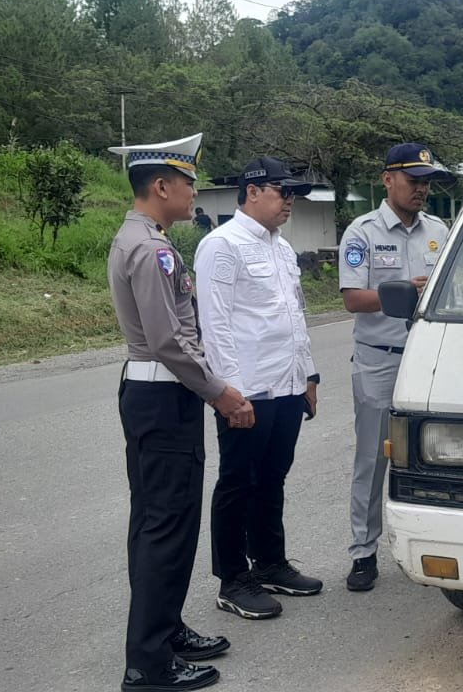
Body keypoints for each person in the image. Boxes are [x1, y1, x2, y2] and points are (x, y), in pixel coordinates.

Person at [106, 133, 253, 692]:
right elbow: (169, 340)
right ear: (161, 186)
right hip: (164, 397)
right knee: (165, 526)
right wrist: (220, 392)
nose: (195, 192)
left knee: (157, 522)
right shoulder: (151, 248)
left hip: (158, 396)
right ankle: (147, 663)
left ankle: (163, 631)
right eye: (189, 183)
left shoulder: (146, 239)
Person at [195, 157, 323, 620]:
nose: (289, 201)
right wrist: (229, 392)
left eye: (293, 194)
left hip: (286, 386)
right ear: (252, 192)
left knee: (273, 479)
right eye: (281, 192)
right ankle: (233, 577)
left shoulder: (282, 248)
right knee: (238, 482)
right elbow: (215, 324)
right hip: (247, 390)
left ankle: (270, 562)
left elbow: (295, 315)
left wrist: (308, 375)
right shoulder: (221, 246)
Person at [337, 143, 453, 592]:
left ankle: (438, 542)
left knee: (440, 454)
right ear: (388, 180)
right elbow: (352, 299)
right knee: (372, 458)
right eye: (413, 181)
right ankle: (363, 552)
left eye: (426, 182)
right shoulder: (362, 233)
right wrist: (406, 289)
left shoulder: (440, 231)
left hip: (428, 360)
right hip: (380, 362)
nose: (421, 189)